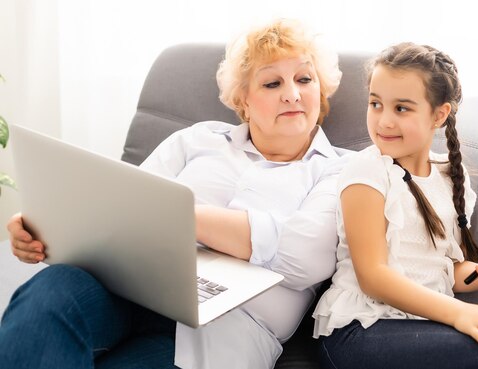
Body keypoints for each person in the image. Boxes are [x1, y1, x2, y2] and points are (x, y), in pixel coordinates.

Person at [0, 18, 348, 369]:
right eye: (272, 83)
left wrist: (179, 215)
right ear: (243, 100)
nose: (292, 94)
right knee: (51, 294)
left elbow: (301, 258)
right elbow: (124, 207)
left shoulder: (341, 170)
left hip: (222, 332)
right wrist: (45, 225)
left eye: (304, 79)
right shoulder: (198, 139)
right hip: (130, 288)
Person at [312, 43, 478, 369]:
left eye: (402, 108)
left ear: (439, 115)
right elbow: (373, 277)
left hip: (421, 328)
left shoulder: (452, 177)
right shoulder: (366, 172)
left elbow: (445, 270)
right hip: (359, 329)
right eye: (376, 104)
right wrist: (460, 312)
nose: (384, 121)